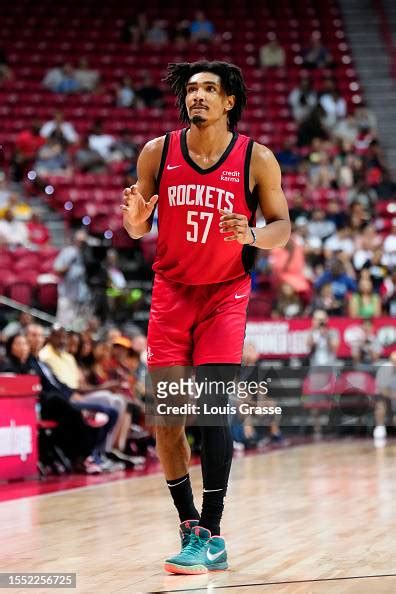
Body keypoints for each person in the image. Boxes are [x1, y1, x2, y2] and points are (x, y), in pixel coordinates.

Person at [121, 60, 290, 574]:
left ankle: (213, 533)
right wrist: (133, 222)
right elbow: (137, 225)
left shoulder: (255, 159)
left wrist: (253, 236)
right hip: (172, 296)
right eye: (192, 89)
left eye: (209, 90)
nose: (198, 97)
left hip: (224, 296)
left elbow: (282, 226)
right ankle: (188, 523)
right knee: (168, 420)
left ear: (229, 101)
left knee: (213, 412)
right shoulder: (158, 151)